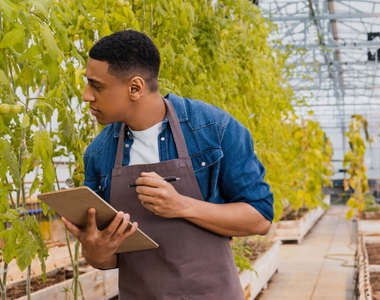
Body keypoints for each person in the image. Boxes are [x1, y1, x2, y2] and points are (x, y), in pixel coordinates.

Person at [62, 30, 274, 300]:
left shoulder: (213, 131)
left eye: (97, 86)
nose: (86, 95)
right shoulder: (99, 153)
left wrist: (182, 206)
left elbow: (260, 217)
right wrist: (96, 249)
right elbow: (103, 260)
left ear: (135, 88)